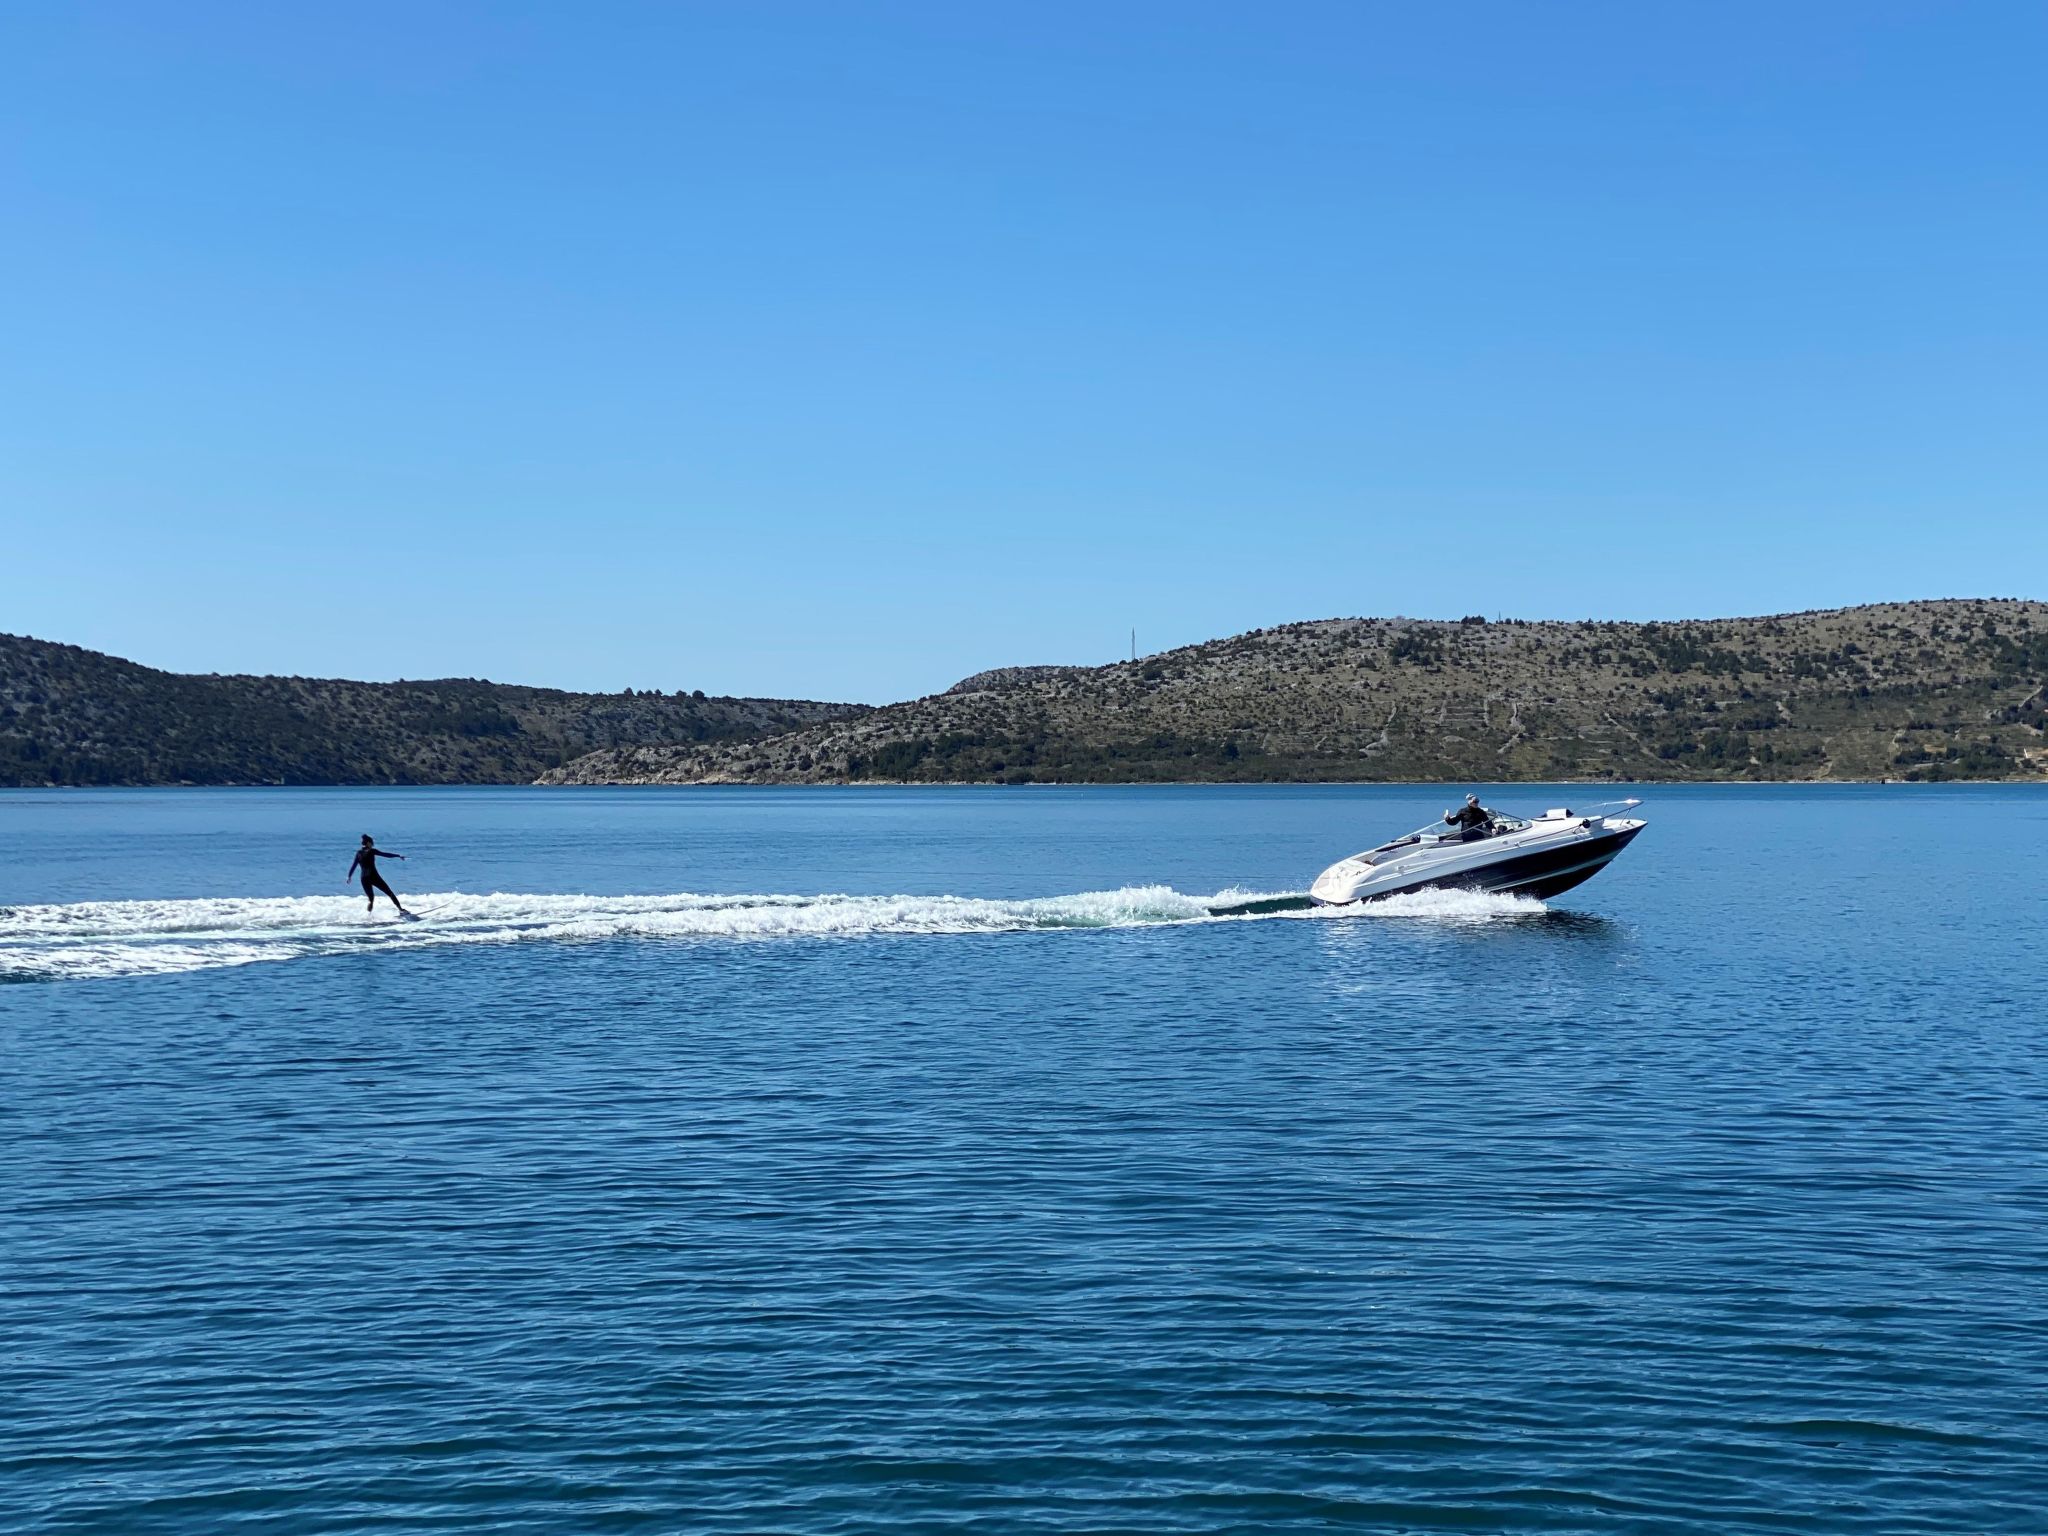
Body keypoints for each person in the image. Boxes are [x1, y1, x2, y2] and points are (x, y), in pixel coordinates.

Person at [346, 834, 409, 915]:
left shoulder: (359, 853)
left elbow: (354, 865)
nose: (373, 844)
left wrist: (349, 876)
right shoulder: (372, 851)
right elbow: (385, 854)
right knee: (389, 892)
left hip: (364, 878)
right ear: (368, 843)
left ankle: (367, 917)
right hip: (373, 876)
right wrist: (398, 855)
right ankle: (401, 910)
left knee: (371, 899)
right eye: (372, 843)